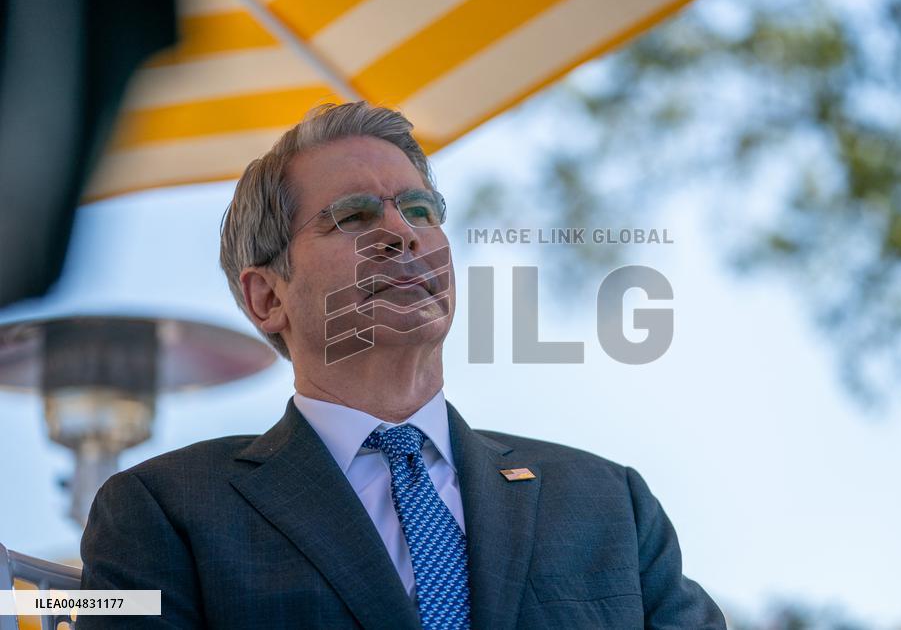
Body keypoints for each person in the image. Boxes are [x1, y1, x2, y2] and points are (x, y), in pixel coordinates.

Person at [78, 101, 726, 629]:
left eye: (420, 210)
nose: (404, 233)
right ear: (267, 295)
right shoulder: (161, 511)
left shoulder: (609, 504)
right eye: (353, 216)